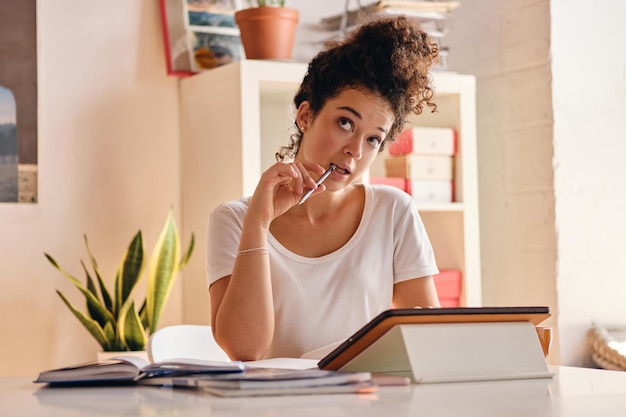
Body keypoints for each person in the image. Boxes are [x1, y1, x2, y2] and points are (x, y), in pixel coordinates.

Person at [207, 15, 441, 361]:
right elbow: (245, 348)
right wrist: (258, 223)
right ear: (305, 116)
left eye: (373, 139)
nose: (355, 151)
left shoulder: (393, 211)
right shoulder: (235, 220)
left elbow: (430, 339)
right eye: (345, 123)